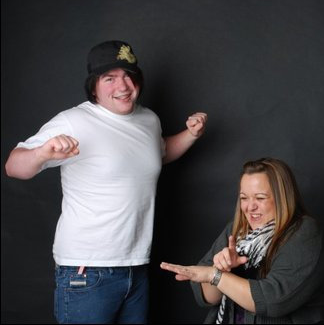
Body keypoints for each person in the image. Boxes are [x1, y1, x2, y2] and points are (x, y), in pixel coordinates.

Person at [4, 40, 207, 324]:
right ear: (94, 87)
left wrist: (191, 135)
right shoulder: (74, 121)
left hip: (136, 266)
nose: (123, 86)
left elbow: (157, 154)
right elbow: (14, 166)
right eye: (109, 78)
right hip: (87, 270)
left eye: (128, 75)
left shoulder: (148, 119)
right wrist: (41, 153)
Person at [160, 158, 324, 323]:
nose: (250, 207)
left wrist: (215, 275)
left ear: (282, 197)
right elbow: (207, 297)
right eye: (244, 198)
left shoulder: (305, 232)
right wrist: (221, 269)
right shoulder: (237, 230)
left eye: (260, 198)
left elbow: (273, 301)